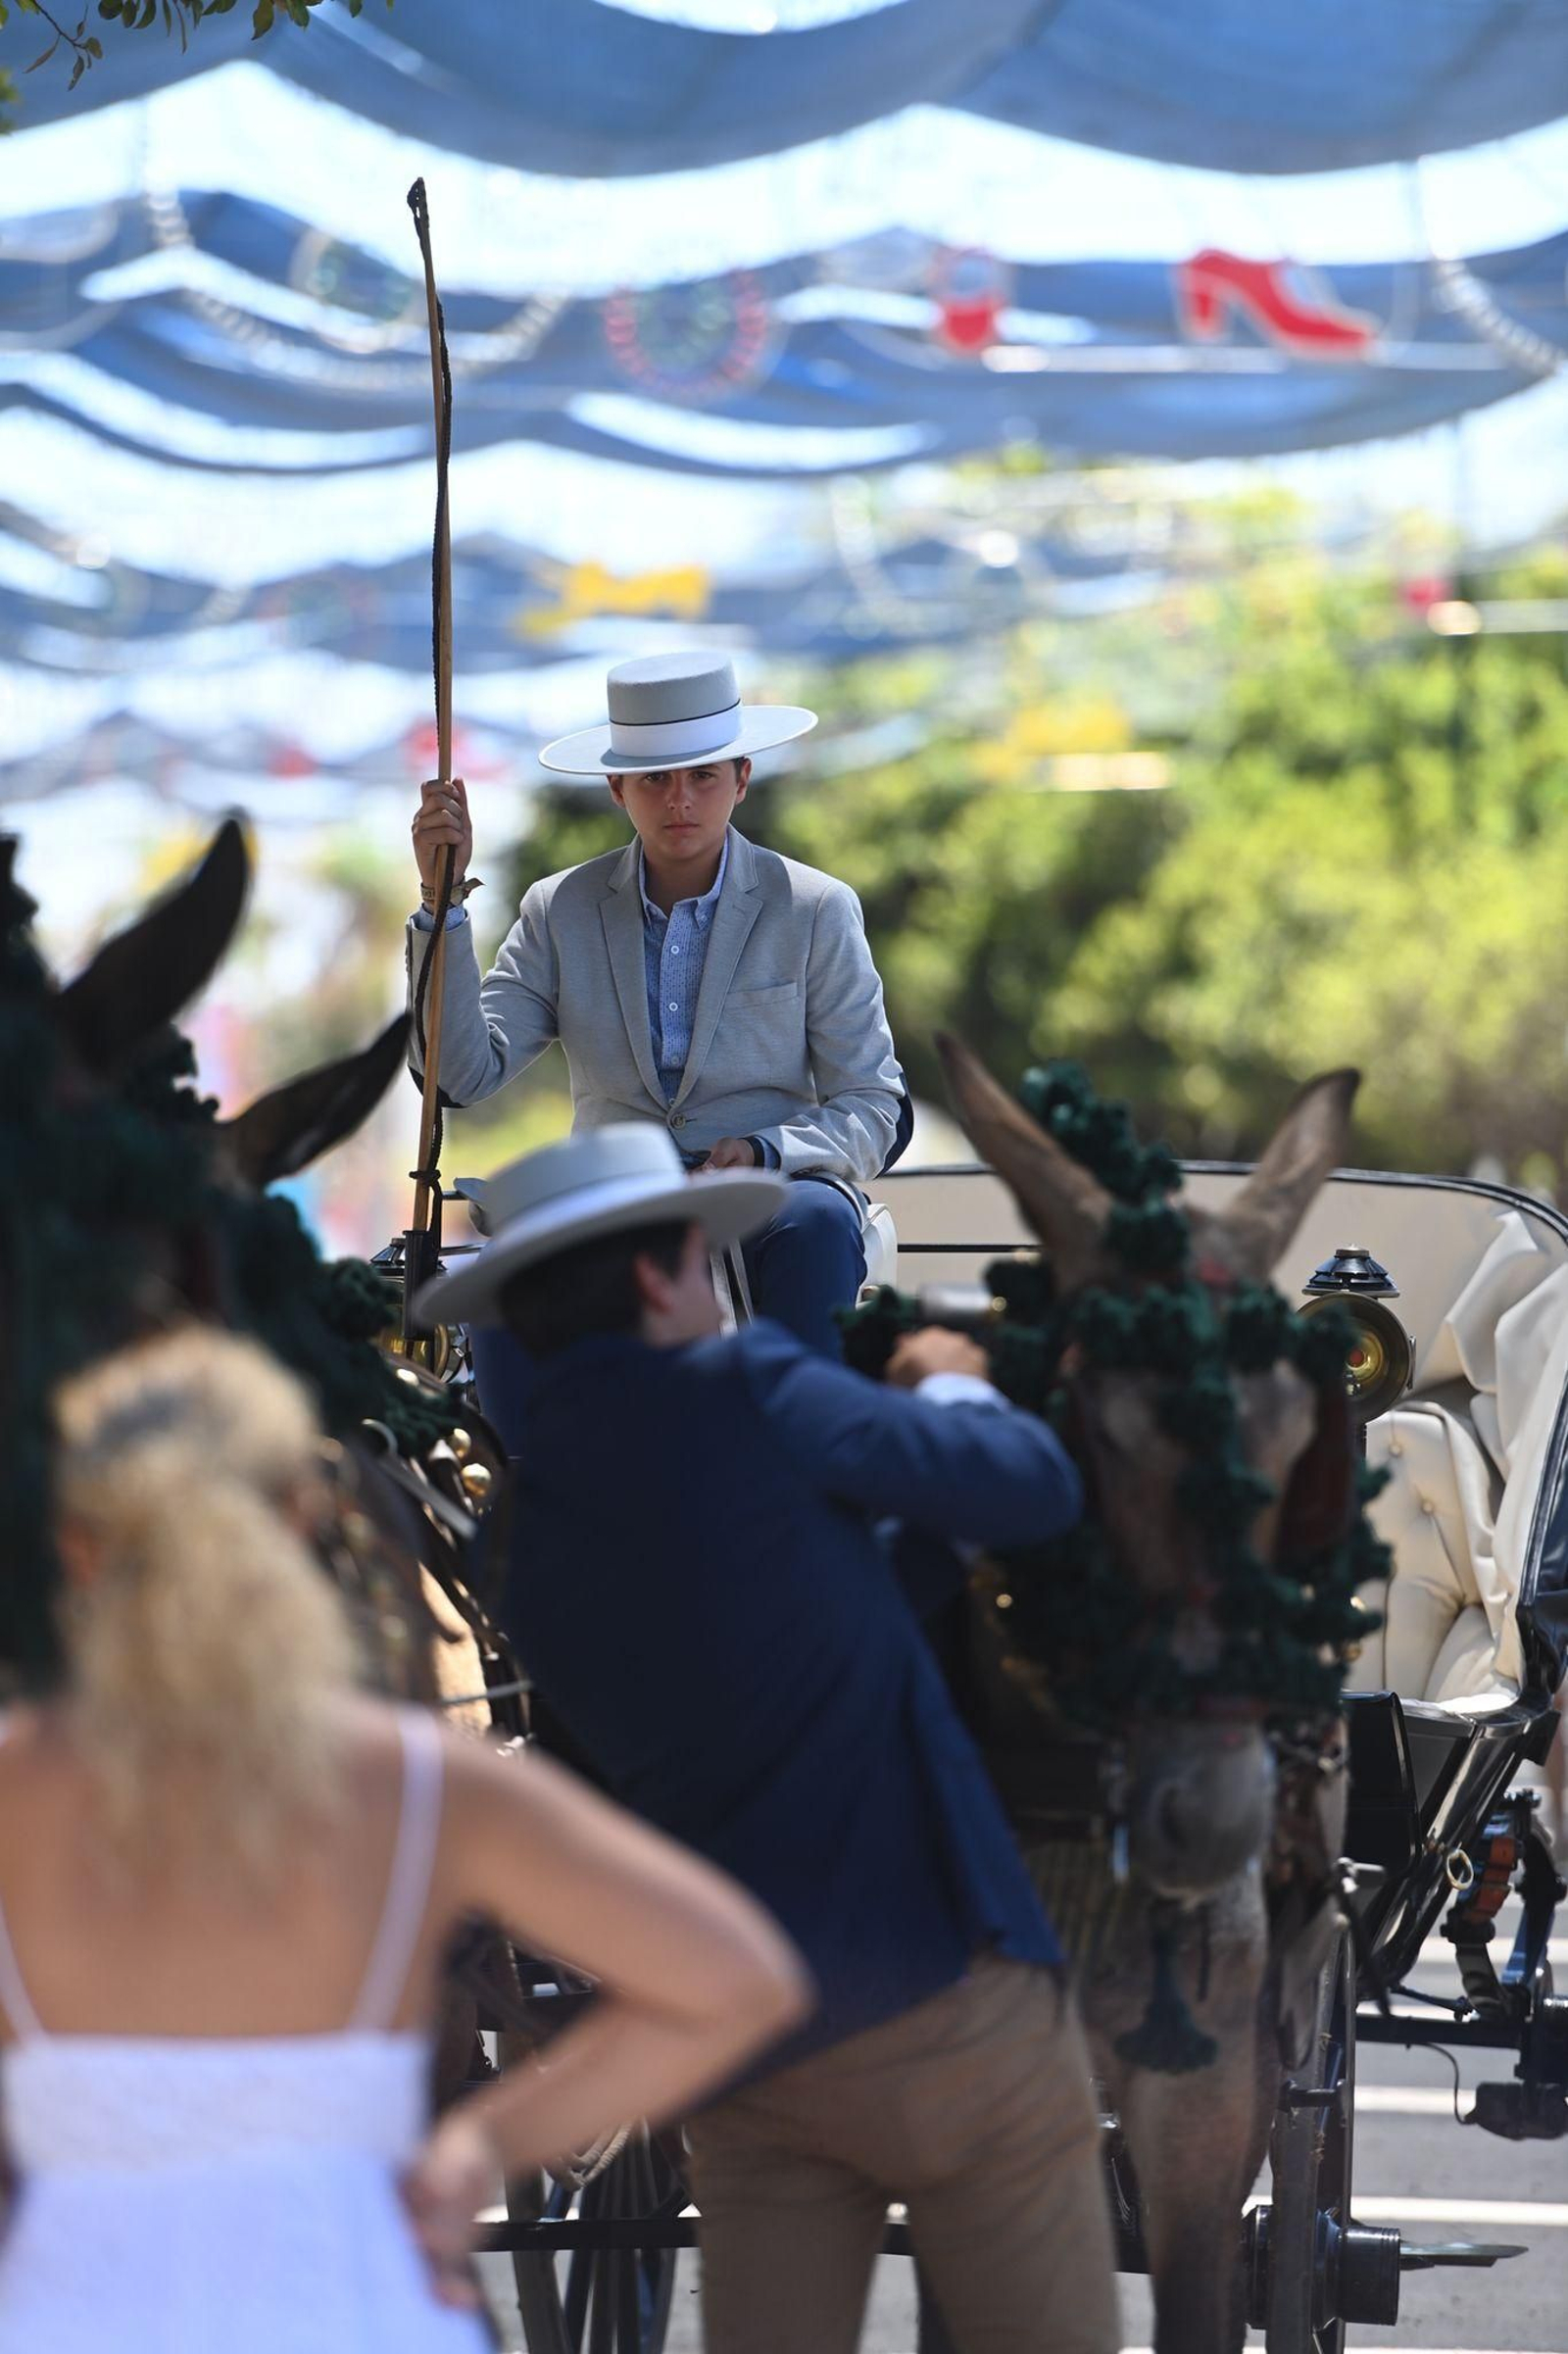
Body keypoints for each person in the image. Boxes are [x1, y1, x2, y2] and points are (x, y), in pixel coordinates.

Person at [417, 1126, 1121, 2354]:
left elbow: (783, 1628)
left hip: (749, 2056)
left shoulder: (519, 1544)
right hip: (951, 2000)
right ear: (658, 1276)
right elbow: (1033, 1484)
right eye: (703, 1258)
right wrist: (947, 1377)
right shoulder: (753, 1385)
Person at [0, 1329, 808, 2354]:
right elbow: (742, 1979)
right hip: (358, 2309)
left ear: (75, 1546)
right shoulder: (422, 1785)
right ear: (304, 1517)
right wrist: (480, 2146)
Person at [408, 649, 905, 1378]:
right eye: (655, 778)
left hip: (774, 1193)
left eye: (703, 775)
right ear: (617, 788)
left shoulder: (816, 908)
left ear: (741, 778)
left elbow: (874, 1105)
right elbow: (458, 1076)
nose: (680, 800)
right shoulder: (559, 908)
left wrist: (763, 1150)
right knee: (506, 1277)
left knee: (818, 1223)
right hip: (613, 1197)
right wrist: (440, 903)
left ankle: (805, 1435)